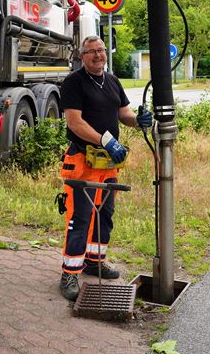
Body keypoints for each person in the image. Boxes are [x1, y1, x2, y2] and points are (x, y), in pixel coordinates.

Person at [58, 35, 153, 301]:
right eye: (91, 52)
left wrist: (139, 121)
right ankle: (69, 273)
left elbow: (124, 115)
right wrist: (104, 141)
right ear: (82, 56)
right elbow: (75, 123)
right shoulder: (73, 83)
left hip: (108, 162)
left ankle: (94, 261)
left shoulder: (112, 81)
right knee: (81, 218)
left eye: (101, 50)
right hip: (82, 161)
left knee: (104, 215)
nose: (98, 55)